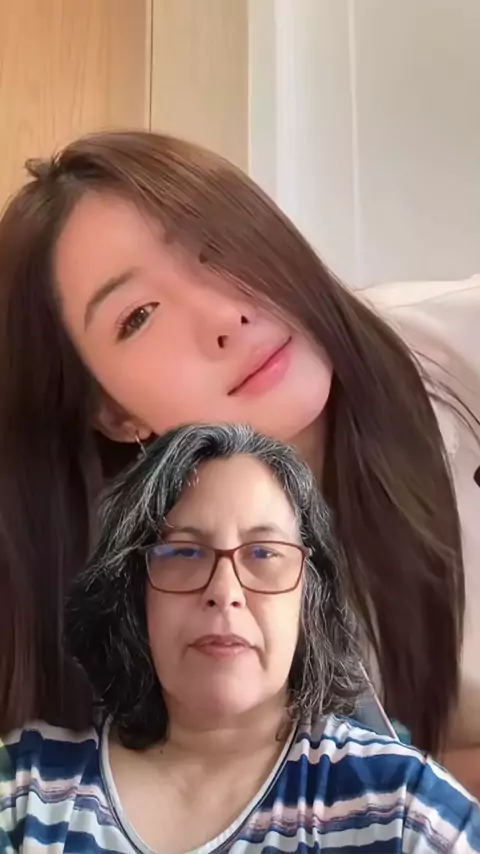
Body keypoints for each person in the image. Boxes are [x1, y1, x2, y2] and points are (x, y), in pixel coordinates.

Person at [0, 130, 474, 766]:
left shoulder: (459, 343)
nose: (226, 317)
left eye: (216, 247)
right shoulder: (157, 625)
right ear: (113, 413)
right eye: (139, 315)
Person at [1, 423, 479, 854]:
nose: (225, 592)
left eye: (264, 553)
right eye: (185, 552)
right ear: (131, 594)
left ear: (309, 599)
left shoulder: (403, 811)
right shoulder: (26, 791)